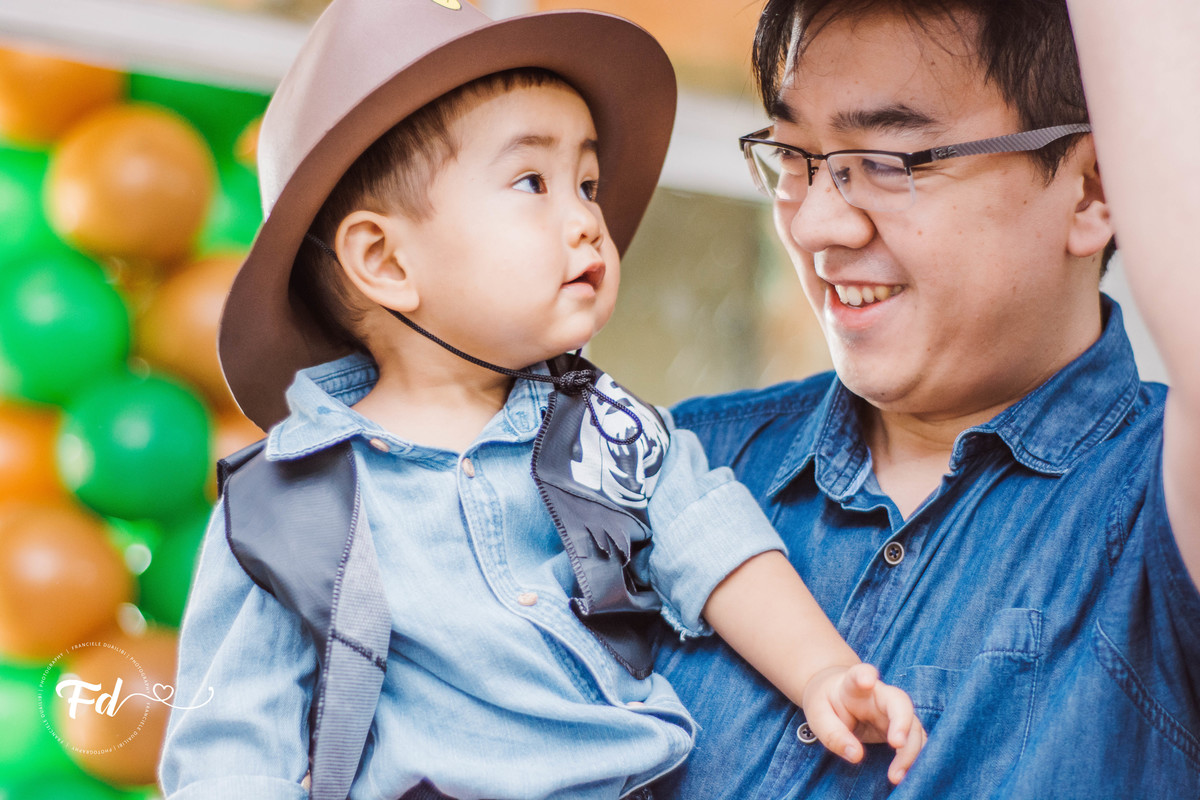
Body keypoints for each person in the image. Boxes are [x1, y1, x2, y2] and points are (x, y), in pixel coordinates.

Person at [157, 1, 926, 798]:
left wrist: (824, 674)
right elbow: (230, 751)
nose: (589, 221)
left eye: (587, 183)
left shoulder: (607, 426)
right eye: (532, 181)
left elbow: (717, 546)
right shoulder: (291, 504)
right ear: (384, 261)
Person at [652, 0, 1200, 797]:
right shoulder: (677, 466)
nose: (814, 224)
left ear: (1090, 189)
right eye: (794, 157)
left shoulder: (1156, 514)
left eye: (888, 160)